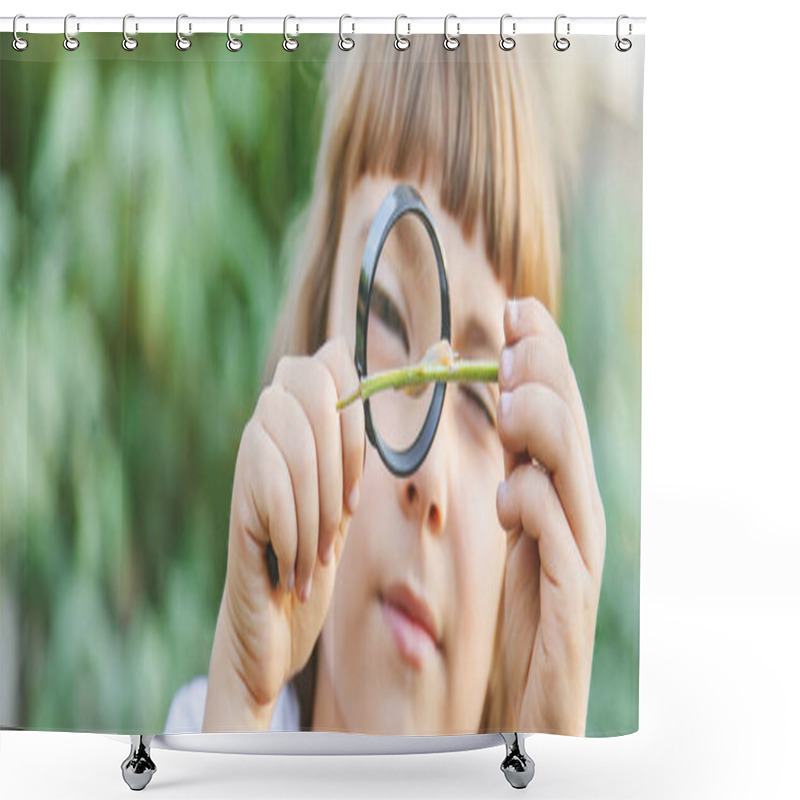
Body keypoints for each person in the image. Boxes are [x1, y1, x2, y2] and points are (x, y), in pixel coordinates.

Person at [165, 33, 606, 737]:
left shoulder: (534, 757)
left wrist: (546, 758)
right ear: (312, 345)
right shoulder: (215, 725)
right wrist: (240, 712)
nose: (427, 474)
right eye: (392, 318)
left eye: (478, 393)